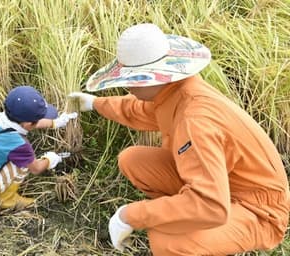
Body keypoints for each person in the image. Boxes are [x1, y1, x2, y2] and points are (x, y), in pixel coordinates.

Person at [69, 23, 290, 255]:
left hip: (258, 210)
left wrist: (130, 215)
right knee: (133, 160)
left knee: (168, 242)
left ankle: (196, 233)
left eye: (132, 79)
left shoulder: (194, 119)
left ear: (155, 78)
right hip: (222, 184)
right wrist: (94, 103)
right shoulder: (177, 92)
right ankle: (187, 219)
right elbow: (139, 109)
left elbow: (211, 205)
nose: (126, 85)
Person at [0, 85, 77, 210]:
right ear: (29, 123)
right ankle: (7, 200)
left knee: (19, 158)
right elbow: (36, 168)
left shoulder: (3, 121)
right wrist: (50, 160)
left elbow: (29, 123)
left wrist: (55, 123)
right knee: (23, 164)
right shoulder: (19, 144)